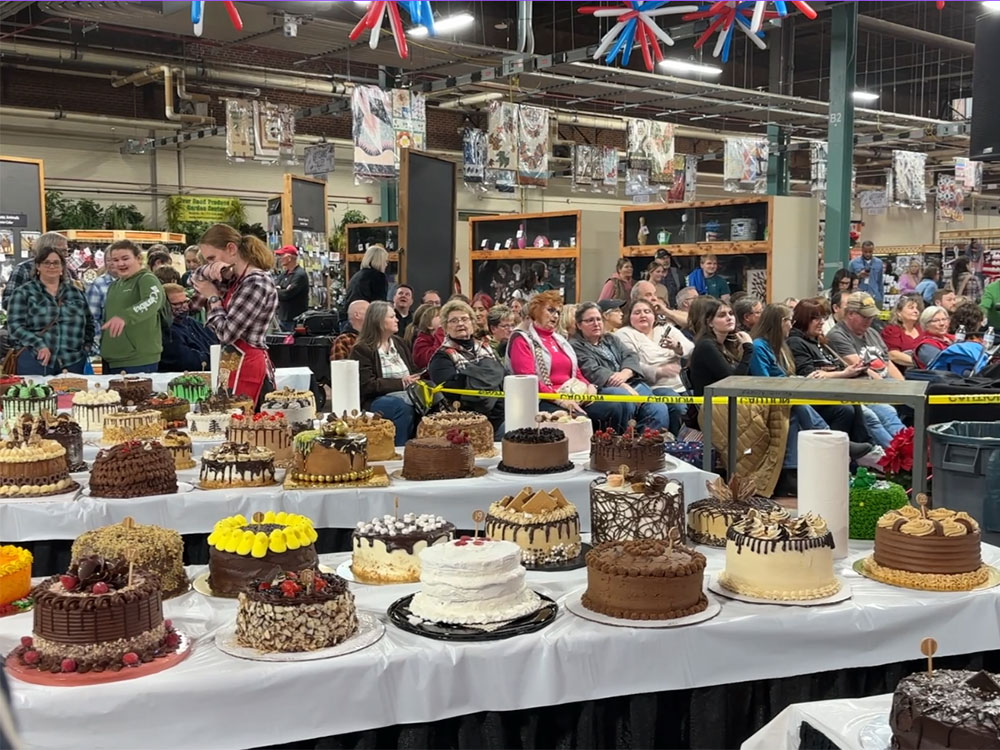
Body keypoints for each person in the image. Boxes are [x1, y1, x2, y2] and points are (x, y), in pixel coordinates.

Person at [750, 303, 880, 467]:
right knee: (815, 408)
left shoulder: (780, 346)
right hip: (776, 398)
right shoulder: (760, 346)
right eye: (789, 320)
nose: (792, 324)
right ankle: (834, 442)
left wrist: (798, 380)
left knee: (850, 403)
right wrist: (798, 380)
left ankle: (857, 450)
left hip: (790, 392)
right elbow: (764, 381)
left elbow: (787, 374)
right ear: (780, 322)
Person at [688, 297, 789, 497]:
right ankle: (765, 480)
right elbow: (733, 380)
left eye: (730, 314)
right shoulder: (707, 346)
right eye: (722, 315)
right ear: (709, 322)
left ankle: (786, 471)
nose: (729, 318)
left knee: (784, 409)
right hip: (714, 407)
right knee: (780, 411)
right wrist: (748, 349)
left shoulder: (726, 344)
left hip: (730, 401)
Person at [787, 298, 904, 449]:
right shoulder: (797, 342)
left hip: (847, 390)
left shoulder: (818, 341)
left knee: (884, 410)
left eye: (823, 317)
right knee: (871, 414)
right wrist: (845, 373)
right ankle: (892, 455)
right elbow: (810, 375)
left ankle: (899, 451)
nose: (821, 322)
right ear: (804, 319)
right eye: (816, 318)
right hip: (826, 396)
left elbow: (833, 367)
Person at [508, 292, 626, 426]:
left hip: (574, 395)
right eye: (551, 310)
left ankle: (609, 445)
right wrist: (560, 399)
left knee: (616, 405)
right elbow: (529, 380)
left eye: (558, 312)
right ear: (536, 311)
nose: (556, 315)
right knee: (579, 418)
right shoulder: (522, 339)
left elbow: (576, 372)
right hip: (545, 399)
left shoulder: (560, 339)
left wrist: (589, 386)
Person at [191, 224, 278, 403]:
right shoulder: (235, 280)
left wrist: (213, 298)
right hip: (232, 362)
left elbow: (226, 333)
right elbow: (196, 278)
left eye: (212, 258)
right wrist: (211, 269)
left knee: (245, 424)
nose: (211, 264)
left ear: (231, 249)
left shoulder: (256, 282)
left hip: (249, 363)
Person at [571, 302, 671, 434]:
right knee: (624, 397)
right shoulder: (575, 345)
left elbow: (631, 355)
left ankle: (646, 445)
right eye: (590, 320)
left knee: (659, 407)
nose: (596, 323)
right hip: (602, 389)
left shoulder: (610, 338)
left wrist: (626, 372)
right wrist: (623, 385)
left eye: (598, 319)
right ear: (579, 325)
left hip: (631, 383)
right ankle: (622, 446)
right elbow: (592, 371)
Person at [6, 245, 93, 375]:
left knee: (71, 395)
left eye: (56, 263)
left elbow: (89, 323)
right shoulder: (23, 293)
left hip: (72, 362)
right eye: (46, 262)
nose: (51, 266)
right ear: (38, 267)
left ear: (63, 267)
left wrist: (85, 348)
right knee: (36, 395)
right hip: (35, 360)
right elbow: (15, 327)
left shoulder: (76, 293)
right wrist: (38, 344)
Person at [614, 298, 692, 434]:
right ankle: (672, 444)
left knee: (701, 406)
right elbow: (632, 363)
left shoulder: (666, 329)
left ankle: (690, 444)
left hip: (680, 384)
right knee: (678, 406)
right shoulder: (624, 334)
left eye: (647, 311)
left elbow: (691, 350)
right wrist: (658, 370)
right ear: (629, 316)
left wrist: (677, 347)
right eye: (637, 312)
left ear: (654, 316)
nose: (643, 315)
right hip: (652, 386)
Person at [428, 299, 505, 437]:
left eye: (464, 319)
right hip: (462, 422)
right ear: (445, 327)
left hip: (499, 414)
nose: (460, 324)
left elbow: (502, 378)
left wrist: (470, 375)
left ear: (472, 323)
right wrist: (490, 373)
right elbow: (454, 391)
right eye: (454, 321)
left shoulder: (486, 347)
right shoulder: (441, 357)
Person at [350, 301, 420, 445]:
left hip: (407, 393)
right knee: (401, 407)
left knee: (429, 403)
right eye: (392, 317)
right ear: (379, 321)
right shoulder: (362, 349)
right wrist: (401, 383)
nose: (397, 319)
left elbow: (413, 370)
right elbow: (367, 385)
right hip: (376, 399)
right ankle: (400, 450)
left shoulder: (400, 343)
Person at [101, 240, 168, 375]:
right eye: (115, 260)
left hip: (139, 360)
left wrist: (125, 317)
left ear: (139, 258)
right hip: (112, 358)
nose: (120, 263)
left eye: (125, 258)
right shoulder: (114, 286)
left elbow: (153, 300)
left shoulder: (146, 279)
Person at [826, 292, 904, 380]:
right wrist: (888, 388)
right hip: (867, 386)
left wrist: (902, 385)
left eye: (871, 316)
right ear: (850, 314)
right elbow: (861, 368)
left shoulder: (872, 333)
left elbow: (888, 364)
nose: (869, 320)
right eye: (865, 316)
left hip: (886, 382)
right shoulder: (838, 335)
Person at [159, 283, 218, 372]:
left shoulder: (191, 322)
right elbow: (187, 360)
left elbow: (215, 342)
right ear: (164, 306)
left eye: (185, 302)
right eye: (176, 304)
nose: (184, 307)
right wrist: (217, 359)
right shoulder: (165, 331)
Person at [2, 231, 69, 309]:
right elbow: (8, 302)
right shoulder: (24, 269)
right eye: (63, 251)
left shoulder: (67, 271)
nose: (66, 255)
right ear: (48, 249)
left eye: (67, 250)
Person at [880, 294, 924, 370]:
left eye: (917, 309)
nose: (916, 311)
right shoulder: (891, 330)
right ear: (899, 313)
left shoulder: (922, 329)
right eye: (911, 308)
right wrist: (921, 362)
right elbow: (893, 355)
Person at [274, 245, 309, 331]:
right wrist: (279, 289)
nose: (280, 258)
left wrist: (278, 290)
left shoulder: (300, 275)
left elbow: (287, 294)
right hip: (282, 318)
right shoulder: (284, 274)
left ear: (289, 258)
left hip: (295, 320)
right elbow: (273, 287)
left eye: (282, 255)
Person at [849, 241, 885, 307]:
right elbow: (849, 279)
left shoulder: (879, 263)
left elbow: (880, 281)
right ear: (862, 250)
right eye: (865, 252)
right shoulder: (853, 263)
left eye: (870, 251)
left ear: (873, 250)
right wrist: (858, 276)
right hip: (859, 297)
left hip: (875, 296)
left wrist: (881, 297)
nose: (868, 254)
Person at [410, 304, 443, 371]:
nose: (445, 319)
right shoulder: (421, 342)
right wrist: (440, 331)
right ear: (429, 325)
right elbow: (434, 358)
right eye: (440, 316)